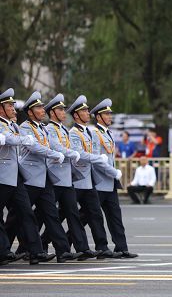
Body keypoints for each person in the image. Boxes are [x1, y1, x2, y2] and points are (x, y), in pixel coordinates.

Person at [14, 92, 77, 262]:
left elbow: (52, 144)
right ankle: (15, 249)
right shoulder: (26, 127)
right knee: (19, 217)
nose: (43, 110)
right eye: (38, 108)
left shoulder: (43, 128)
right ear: (30, 112)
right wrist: (54, 154)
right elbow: (34, 147)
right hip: (29, 177)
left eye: (42, 107)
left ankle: (62, 251)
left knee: (51, 215)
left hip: (44, 178)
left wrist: (59, 152)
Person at [0, 88, 53, 265]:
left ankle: (35, 251)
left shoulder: (13, 124)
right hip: (2, 176)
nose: (14, 109)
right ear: (1, 108)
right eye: (9, 106)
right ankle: (3, 251)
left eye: (13, 106)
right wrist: (24, 140)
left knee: (26, 213)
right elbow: (8, 139)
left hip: (16, 177)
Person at [68, 95, 122, 259]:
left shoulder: (89, 133)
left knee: (96, 215)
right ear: (76, 115)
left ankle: (103, 247)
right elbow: (84, 155)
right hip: (78, 179)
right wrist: (107, 167)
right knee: (70, 215)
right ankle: (47, 244)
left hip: (91, 180)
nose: (87, 113)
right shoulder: (75, 132)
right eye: (84, 110)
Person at [42, 94, 93, 260]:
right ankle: (32, 245)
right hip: (55, 177)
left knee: (72, 214)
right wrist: (73, 153)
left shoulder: (64, 130)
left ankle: (80, 248)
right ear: (52, 113)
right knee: (45, 215)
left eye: (63, 110)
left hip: (67, 178)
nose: (64, 113)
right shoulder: (49, 129)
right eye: (60, 110)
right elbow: (55, 147)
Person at [90, 99, 138, 258]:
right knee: (87, 217)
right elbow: (97, 159)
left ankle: (121, 247)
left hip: (109, 182)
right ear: (98, 117)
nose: (110, 116)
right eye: (106, 114)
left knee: (115, 217)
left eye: (110, 113)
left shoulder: (108, 133)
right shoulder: (95, 134)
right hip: (99, 181)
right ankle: (100, 248)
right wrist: (113, 172)